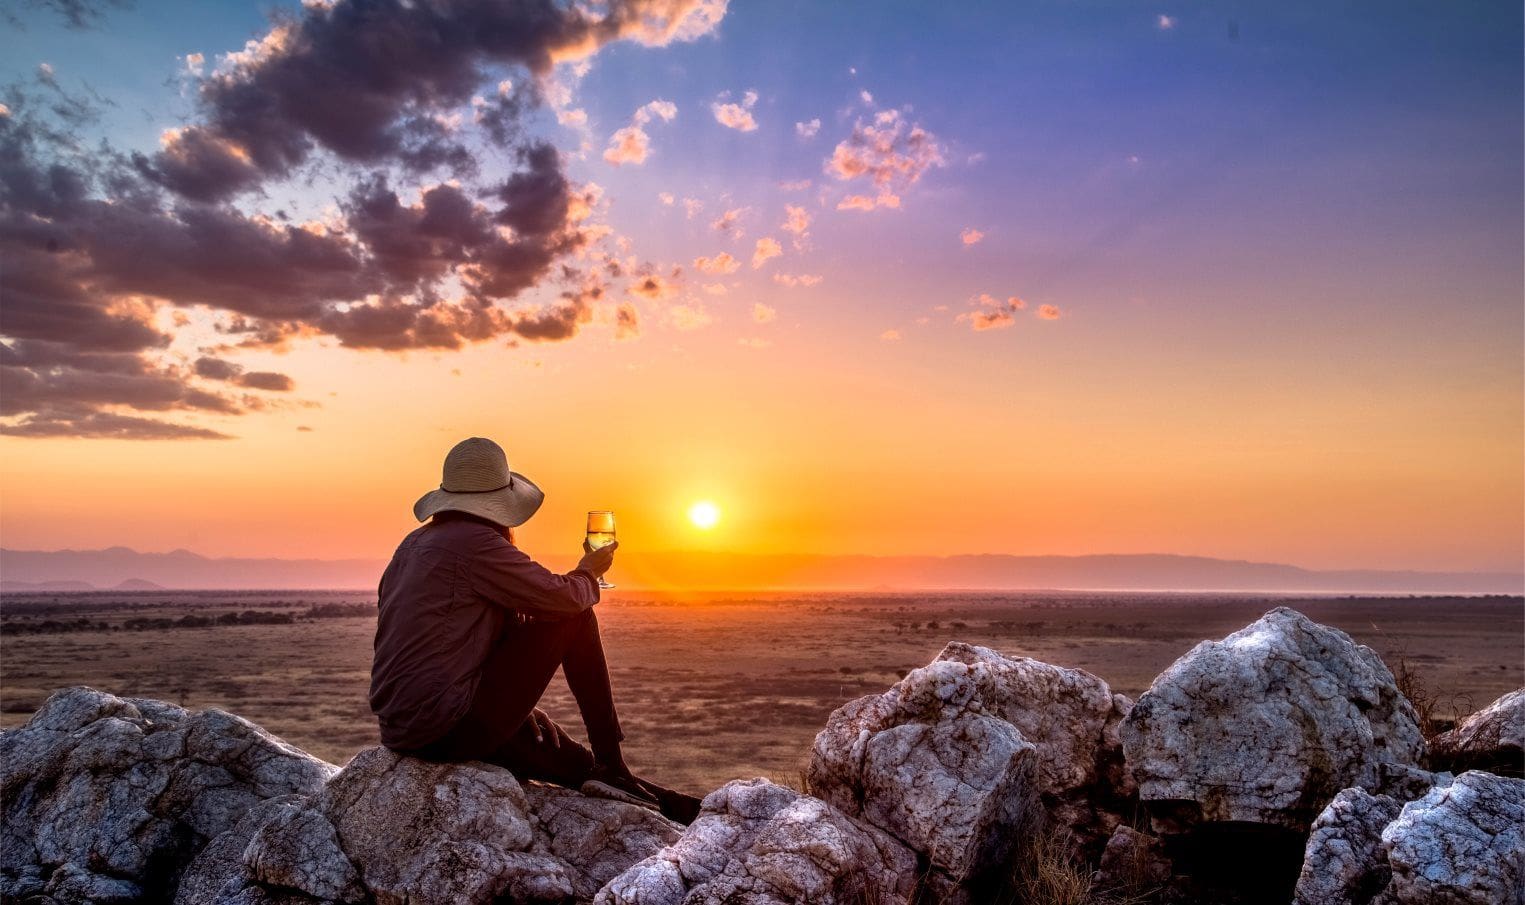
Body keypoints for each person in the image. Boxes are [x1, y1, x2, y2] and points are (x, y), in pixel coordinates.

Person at [369, 436, 700, 823]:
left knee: (574, 764)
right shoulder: (475, 544)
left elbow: (450, 640)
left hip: (405, 729)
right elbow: (562, 598)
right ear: (499, 504)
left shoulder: (414, 544)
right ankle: (612, 759)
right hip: (448, 726)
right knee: (575, 614)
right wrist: (588, 573)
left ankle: (685, 810)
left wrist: (516, 703)